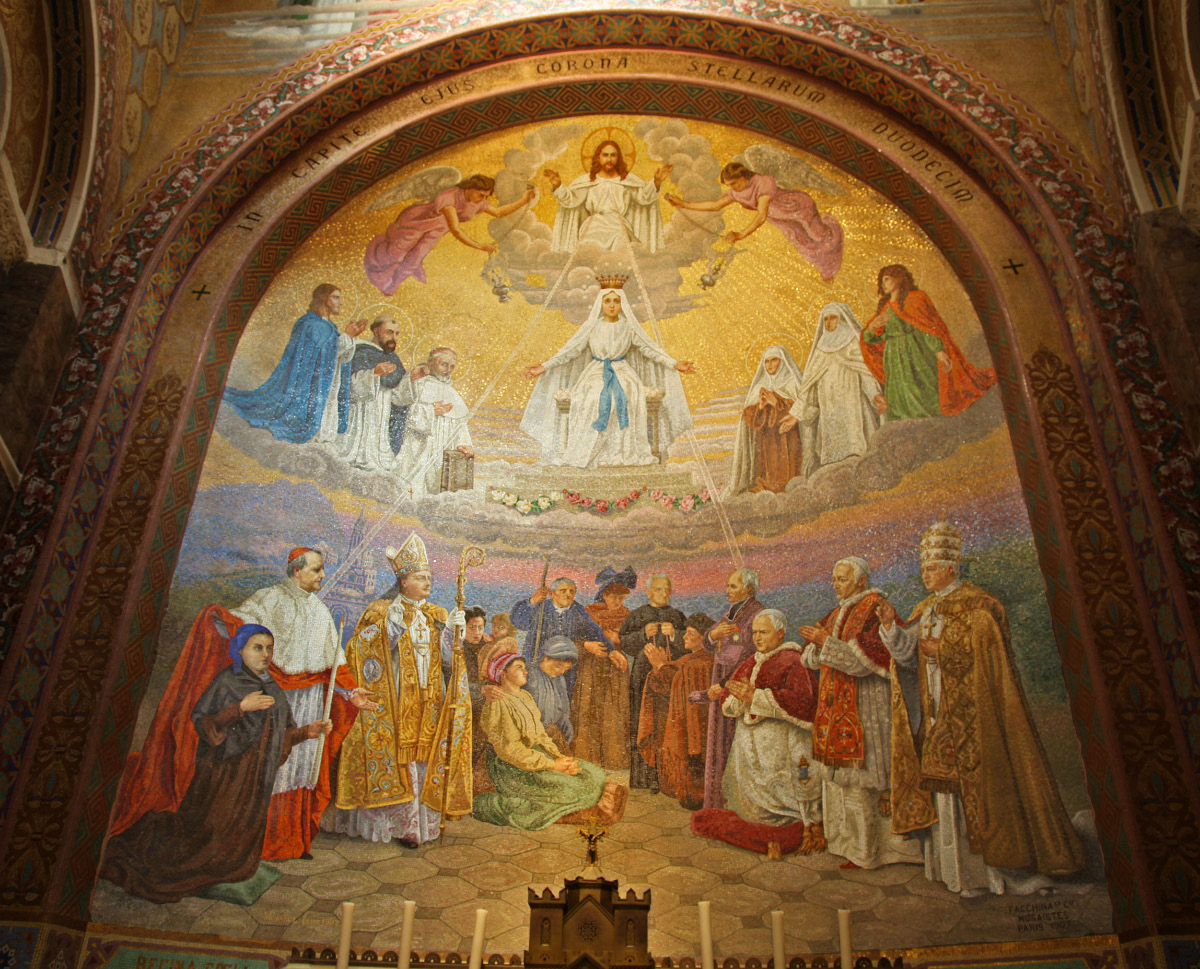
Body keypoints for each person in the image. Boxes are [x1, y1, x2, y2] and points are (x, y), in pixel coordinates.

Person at [878, 520, 1086, 896]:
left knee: (978, 792)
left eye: (931, 568)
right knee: (944, 794)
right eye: (923, 569)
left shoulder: (978, 607)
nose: (925, 575)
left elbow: (990, 660)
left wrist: (945, 652)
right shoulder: (926, 608)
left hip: (975, 719)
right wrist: (893, 630)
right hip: (937, 713)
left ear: (951, 568)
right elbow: (908, 657)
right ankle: (952, 873)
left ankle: (990, 875)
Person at [101, 624, 332, 902]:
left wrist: (308, 731)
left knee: (242, 829)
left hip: (256, 776)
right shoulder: (227, 682)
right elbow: (204, 722)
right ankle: (206, 866)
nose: (265, 654)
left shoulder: (271, 685)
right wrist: (239, 709)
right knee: (211, 828)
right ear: (240, 649)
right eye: (257, 648)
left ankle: (233, 866)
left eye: (269, 648)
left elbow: (281, 733)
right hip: (225, 774)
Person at [231, 547, 376, 860]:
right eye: (316, 570)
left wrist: (351, 694)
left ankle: (293, 840)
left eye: (323, 570)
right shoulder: (268, 599)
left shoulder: (321, 611)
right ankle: (255, 843)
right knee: (269, 765)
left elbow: (335, 666)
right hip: (274, 698)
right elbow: (236, 630)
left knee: (303, 769)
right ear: (296, 571)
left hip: (309, 700)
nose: (322, 575)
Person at [330, 532, 470, 846]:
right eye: (421, 578)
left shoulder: (437, 615)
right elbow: (361, 652)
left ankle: (418, 827)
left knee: (423, 760)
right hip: (392, 701)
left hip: (428, 700)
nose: (428, 583)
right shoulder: (381, 610)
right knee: (397, 758)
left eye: (430, 578)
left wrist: (451, 634)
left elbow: (448, 662)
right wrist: (390, 627)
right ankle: (393, 826)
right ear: (403, 581)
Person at [797, 557, 920, 870]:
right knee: (840, 785)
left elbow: (864, 660)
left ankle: (867, 853)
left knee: (862, 785)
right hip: (834, 708)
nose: (835, 584)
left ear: (861, 580)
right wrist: (817, 647)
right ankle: (844, 845)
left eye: (841, 578)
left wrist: (825, 644)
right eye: (834, 578)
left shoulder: (875, 607)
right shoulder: (837, 611)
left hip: (866, 708)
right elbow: (809, 657)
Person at [521, 283, 696, 468]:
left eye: (616, 301)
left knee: (627, 396)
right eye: (607, 301)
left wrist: (674, 363)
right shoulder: (591, 326)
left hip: (622, 371)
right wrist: (544, 366)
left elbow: (649, 348)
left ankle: (620, 451)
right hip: (596, 372)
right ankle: (590, 451)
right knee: (591, 397)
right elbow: (569, 350)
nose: (612, 305)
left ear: (622, 304)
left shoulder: (628, 326)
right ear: (600, 304)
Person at [694, 610, 821, 855]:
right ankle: (757, 825)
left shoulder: (794, 660)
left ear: (781, 633)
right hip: (749, 741)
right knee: (746, 797)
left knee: (781, 793)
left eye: (764, 633)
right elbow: (730, 699)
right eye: (755, 633)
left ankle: (786, 827)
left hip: (781, 741)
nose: (758, 638)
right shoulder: (752, 660)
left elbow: (803, 702)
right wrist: (738, 699)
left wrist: (755, 697)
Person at [473, 653, 621, 830]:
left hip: (538, 756)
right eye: (519, 668)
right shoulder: (498, 702)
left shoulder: (525, 696)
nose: (525, 672)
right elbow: (510, 750)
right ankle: (494, 805)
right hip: (512, 767)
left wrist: (558, 758)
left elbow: (541, 735)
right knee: (579, 788)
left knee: (595, 775)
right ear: (503, 674)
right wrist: (552, 765)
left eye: (524, 667)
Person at [224, 284, 366, 444]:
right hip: (306, 385)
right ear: (324, 298)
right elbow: (324, 353)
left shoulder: (330, 327)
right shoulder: (311, 324)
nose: (340, 302)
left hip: (327, 383)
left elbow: (336, 356)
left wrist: (350, 338)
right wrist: (347, 337)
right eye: (336, 297)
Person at [860, 265, 997, 421]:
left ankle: (930, 422)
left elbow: (928, 328)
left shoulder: (915, 299)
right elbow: (870, 339)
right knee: (900, 391)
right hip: (894, 359)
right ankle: (904, 424)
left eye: (886, 279)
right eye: (881, 281)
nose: (883, 284)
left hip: (915, 353)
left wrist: (938, 350)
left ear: (898, 279)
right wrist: (872, 328)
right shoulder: (884, 308)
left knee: (921, 388)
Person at [667, 162, 843, 281]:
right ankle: (828, 268)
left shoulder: (762, 182)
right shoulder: (735, 192)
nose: (732, 188)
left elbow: (761, 215)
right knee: (802, 242)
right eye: (729, 184)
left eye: (734, 183)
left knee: (819, 235)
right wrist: (683, 204)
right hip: (780, 218)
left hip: (796, 207)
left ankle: (834, 233)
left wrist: (740, 234)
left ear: (744, 177)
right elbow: (715, 205)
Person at [364, 174, 535, 295]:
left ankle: (392, 286)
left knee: (416, 257)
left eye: (485, 196)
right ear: (469, 188)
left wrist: (524, 200)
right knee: (395, 253)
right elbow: (456, 229)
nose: (482, 199)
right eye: (480, 194)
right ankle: (376, 258)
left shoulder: (478, 202)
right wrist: (479, 246)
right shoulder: (449, 197)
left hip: (438, 229)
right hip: (417, 221)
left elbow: (498, 212)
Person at [635, 612, 714, 808]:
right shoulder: (690, 658)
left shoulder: (703, 662)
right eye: (685, 633)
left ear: (705, 638)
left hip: (695, 728)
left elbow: (677, 683)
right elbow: (667, 680)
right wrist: (661, 667)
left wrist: (661, 665)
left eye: (690, 634)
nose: (685, 637)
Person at [701, 568, 764, 809]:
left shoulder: (757, 613)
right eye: (728, 586)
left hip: (739, 682)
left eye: (733, 587)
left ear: (749, 588)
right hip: (722, 679)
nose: (727, 591)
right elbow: (707, 643)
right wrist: (714, 634)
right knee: (718, 738)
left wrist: (726, 682)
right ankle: (716, 803)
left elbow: (752, 652)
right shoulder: (730, 612)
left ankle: (735, 804)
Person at [796, 303, 883, 476]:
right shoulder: (821, 347)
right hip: (829, 408)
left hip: (853, 403)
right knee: (834, 456)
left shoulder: (853, 342)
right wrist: (797, 414)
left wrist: (875, 394)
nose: (828, 323)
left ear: (842, 319)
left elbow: (864, 371)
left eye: (833, 318)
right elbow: (810, 385)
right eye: (825, 319)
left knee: (858, 445)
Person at [619, 573, 687, 790]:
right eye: (658, 589)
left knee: (668, 723)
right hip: (642, 675)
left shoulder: (677, 616)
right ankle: (643, 779)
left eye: (667, 589)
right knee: (642, 723)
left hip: (670, 677)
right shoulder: (638, 615)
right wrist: (642, 635)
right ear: (648, 592)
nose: (664, 593)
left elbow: (690, 642)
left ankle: (668, 778)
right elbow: (624, 643)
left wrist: (675, 634)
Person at [547, 139, 672, 253]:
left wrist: (656, 182)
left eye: (613, 155)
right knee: (588, 246)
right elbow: (571, 200)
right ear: (598, 157)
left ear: (618, 158)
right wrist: (558, 186)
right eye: (605, 155)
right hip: (593, 225)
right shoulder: (588, 180)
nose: (609, 159)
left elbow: (644, 197)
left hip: (618, 224)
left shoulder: (627, 180)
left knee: (621, 240)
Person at [573, 567, 637, 769]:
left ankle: (614, 760)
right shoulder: (589, 613)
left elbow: (633, 643)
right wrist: (590, 646)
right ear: (604, 595)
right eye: (613, 596)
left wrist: (618, 639)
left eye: (621, 597)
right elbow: (575, 639)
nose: (617, 601)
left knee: (614, 711)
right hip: (591, 667)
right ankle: (589, 759)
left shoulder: (628, 616)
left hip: (616, 669)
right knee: (590, 708)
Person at [392, 347, 474, 497]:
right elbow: (402, 410)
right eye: (444, 364)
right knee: (414, 484)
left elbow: (459, 423)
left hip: (443, 445)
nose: (448, 370)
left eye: (452, 367)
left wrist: (464, 443)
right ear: (431, 363)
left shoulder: (452, 392)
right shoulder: (418, 383)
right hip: (420, 445)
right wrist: (431, 411)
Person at [335, 315, 409, 471]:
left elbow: (398, 391)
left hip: (382, 411)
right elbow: (350, 385)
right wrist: (373, 374)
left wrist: (412, 378)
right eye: (389, 332)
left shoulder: (393, 357)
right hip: (362, 410)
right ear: (376, 331)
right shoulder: (361, 350)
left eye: (396, 334)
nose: (393, 337)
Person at [730, 346, 805, 495]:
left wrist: (777, 402)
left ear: (782, 362)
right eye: (767, 362)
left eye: (774, 360)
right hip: (767, 438)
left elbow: (803, 409)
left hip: (788, 436)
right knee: (767, 464)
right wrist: (760, 407)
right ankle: (766, 486)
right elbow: (748, 417)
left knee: (789, 466)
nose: (770, 365)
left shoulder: (792, 383)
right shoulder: (760, 386)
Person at [510, 577, 605, 695]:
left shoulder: (578, 611)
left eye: (571, 591)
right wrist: (532, 601)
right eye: (563, 590)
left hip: (565, 669)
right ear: (552, 593)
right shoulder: (541, 607)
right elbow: (519, 622)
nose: (568, 594)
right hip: (538, 662)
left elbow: (595, 633)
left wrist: (610, 650)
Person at [524, 635, 579, 751]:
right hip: (531, 737)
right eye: (558, 666)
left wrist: (567, 730)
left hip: (552, 736)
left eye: (566, 669)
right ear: (545, 658)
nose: (561, 671)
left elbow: (563, 709)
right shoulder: (528, 674)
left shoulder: (560, 679)